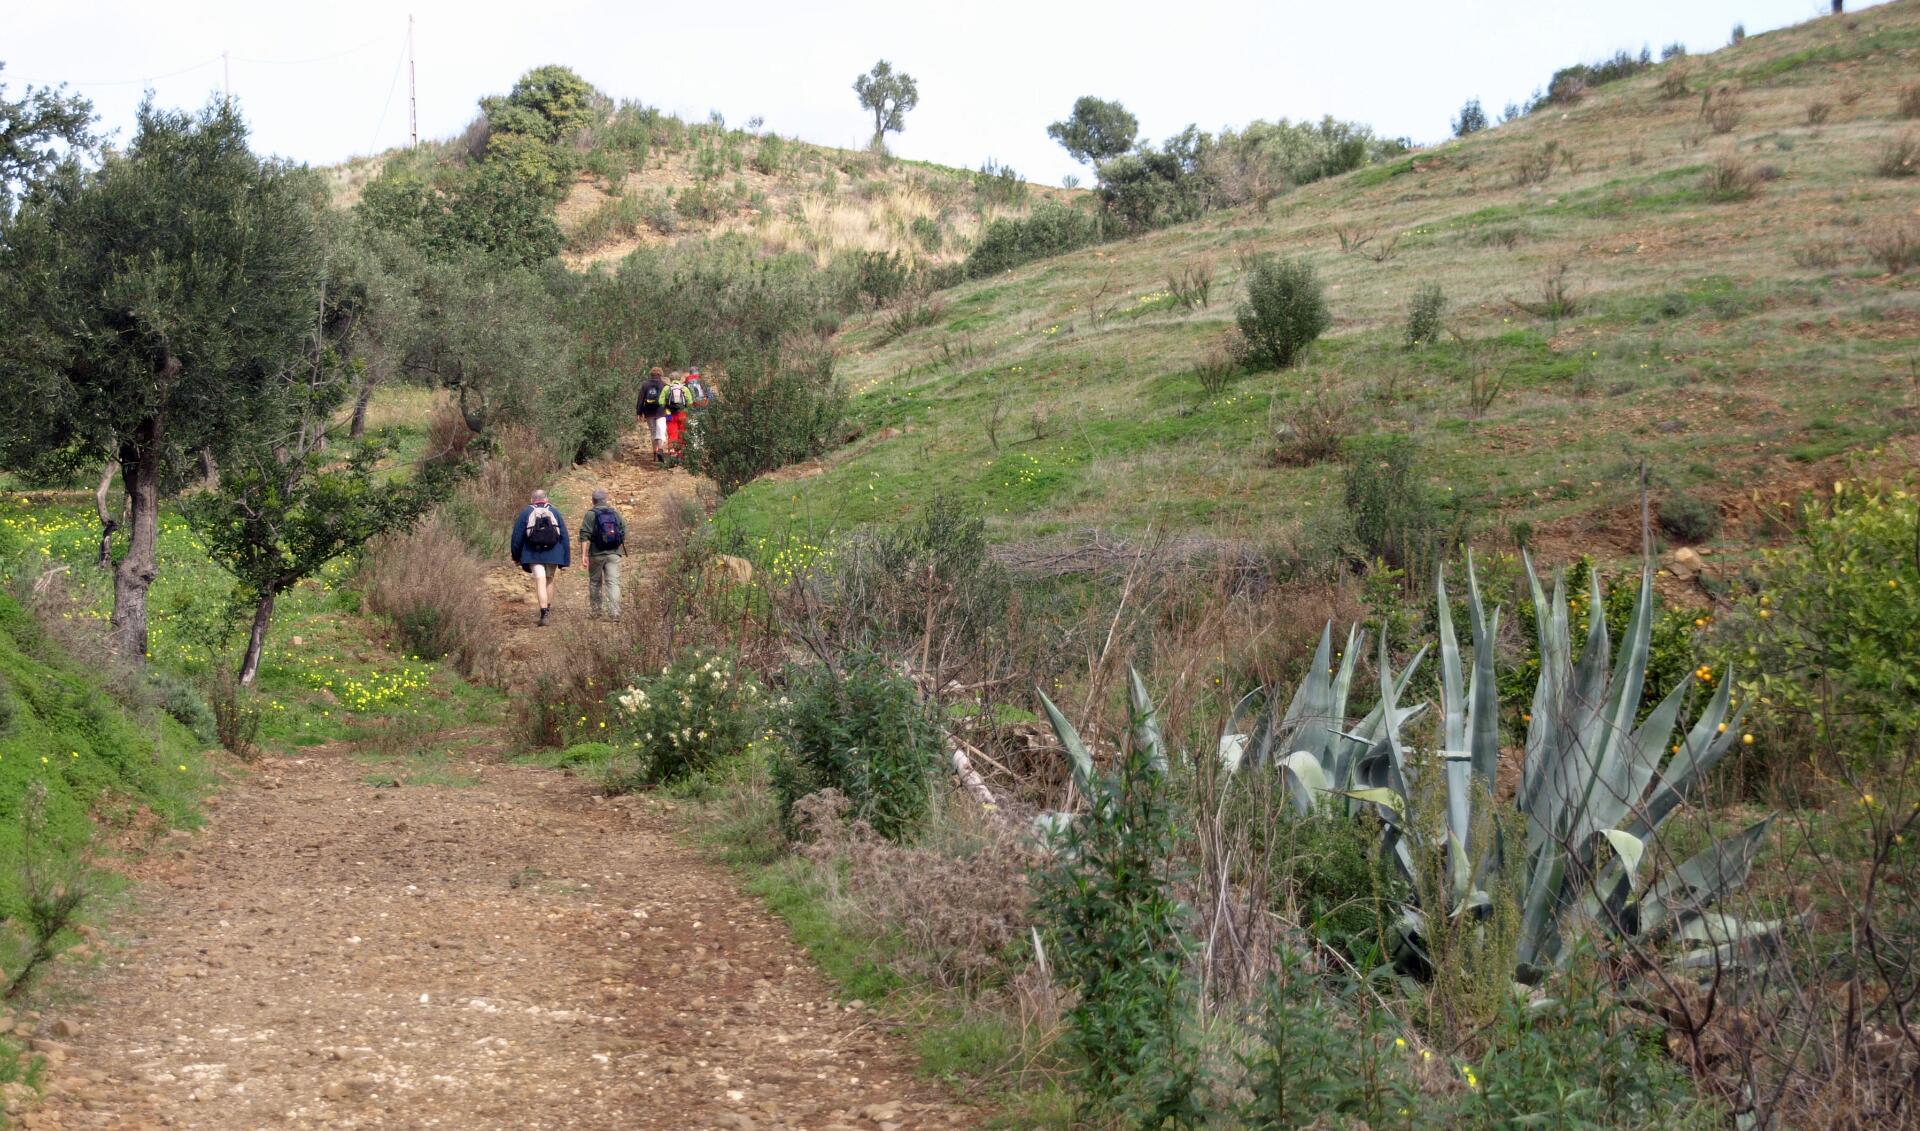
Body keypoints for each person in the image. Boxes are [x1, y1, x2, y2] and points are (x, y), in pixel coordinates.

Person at [509, 488, 570, 626]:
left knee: (540, 580)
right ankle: (547, 610)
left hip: (533, 553)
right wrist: (565, 561)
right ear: (546, 499)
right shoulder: (554, 511)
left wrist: (516, 556)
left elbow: (516, 537)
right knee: (549, 579)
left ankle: (543, 613)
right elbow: (564, 536)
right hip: (554, 553)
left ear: (532, 500)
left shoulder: (526, 512)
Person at [577, 488, 626, 620]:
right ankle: (614, 613)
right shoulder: (615, 513)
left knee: (595, 582)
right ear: (606, 499)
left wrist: (584, 555)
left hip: (596, 554)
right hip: (614, 554)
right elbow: (623, 530)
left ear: (593, 501)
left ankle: (596, 611)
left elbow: (584, 535)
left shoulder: (590, 514)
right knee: (613, 583)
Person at [637, 366, 669, 462]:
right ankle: (660, 449)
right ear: (661, 374)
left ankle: (654, 454)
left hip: (648, 412)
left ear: (651, 374)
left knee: (653, 432)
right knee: (661, 432)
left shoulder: (645, 385)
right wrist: (670, 414)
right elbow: (668, 400)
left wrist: (639, 413)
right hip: (661, 412)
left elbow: (640, 400)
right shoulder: (664, 384)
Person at [662, 372, 693, 459]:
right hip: (682, 413)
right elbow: (690, 402)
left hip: (669, 413)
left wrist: (666, 407)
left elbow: (661, 402)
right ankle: (680, 453)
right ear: (680, 379)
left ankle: (672, 452)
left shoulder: (666, 388)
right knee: (682, 432)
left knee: (671, 432)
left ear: (670, 379)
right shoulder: (684, 388)